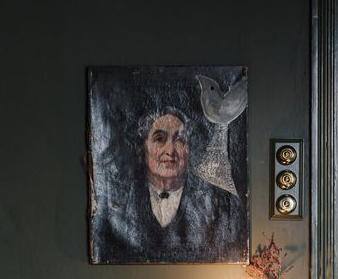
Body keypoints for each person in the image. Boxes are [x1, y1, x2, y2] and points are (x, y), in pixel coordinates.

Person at [94, 106, 247, 264]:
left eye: (179, 140)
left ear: (188, 148)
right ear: (144, 147)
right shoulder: (118, 202)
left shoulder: (216, 203)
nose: (170, 150)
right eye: (160, 139)